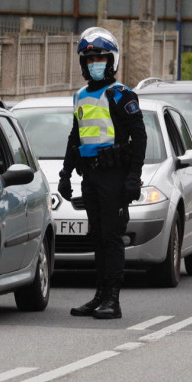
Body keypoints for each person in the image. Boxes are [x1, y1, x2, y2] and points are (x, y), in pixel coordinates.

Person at [58, 26, 147, 320]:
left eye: (101, 58)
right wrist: (65, 174)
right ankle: (99, 296)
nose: (95, 63)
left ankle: (113, 300)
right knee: (97, 237)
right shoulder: (80, 96)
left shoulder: (121, 95)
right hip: (91, 177)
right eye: (90, 59)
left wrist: (133, 177)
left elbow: (140, 137)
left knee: (111, 237)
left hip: (115, 177)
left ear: (112, 61)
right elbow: (76, 137)